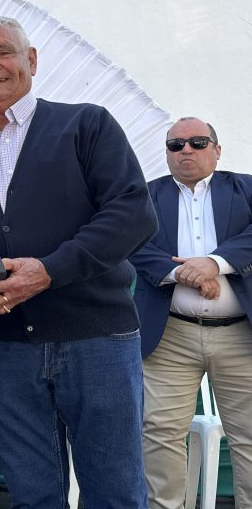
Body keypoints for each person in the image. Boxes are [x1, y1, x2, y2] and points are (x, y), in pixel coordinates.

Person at [0, 15, 158, 508]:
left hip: (96, 340)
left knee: (115, 493)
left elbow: (133, 213)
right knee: (32, 496)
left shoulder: (86, 124)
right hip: (5, 349)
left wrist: (49, 271)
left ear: (31, 60)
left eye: (3, 52)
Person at [130, 117, 252, 509]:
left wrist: (216, 264)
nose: (186, 150)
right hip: (170, 336)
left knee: (249, 434)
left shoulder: (246, 188)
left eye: (198, 142)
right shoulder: (144, 197)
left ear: (217, 150)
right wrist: (187, 274)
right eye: (175, 145)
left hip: (240, 336)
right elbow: (133, 243)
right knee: (160, 432)